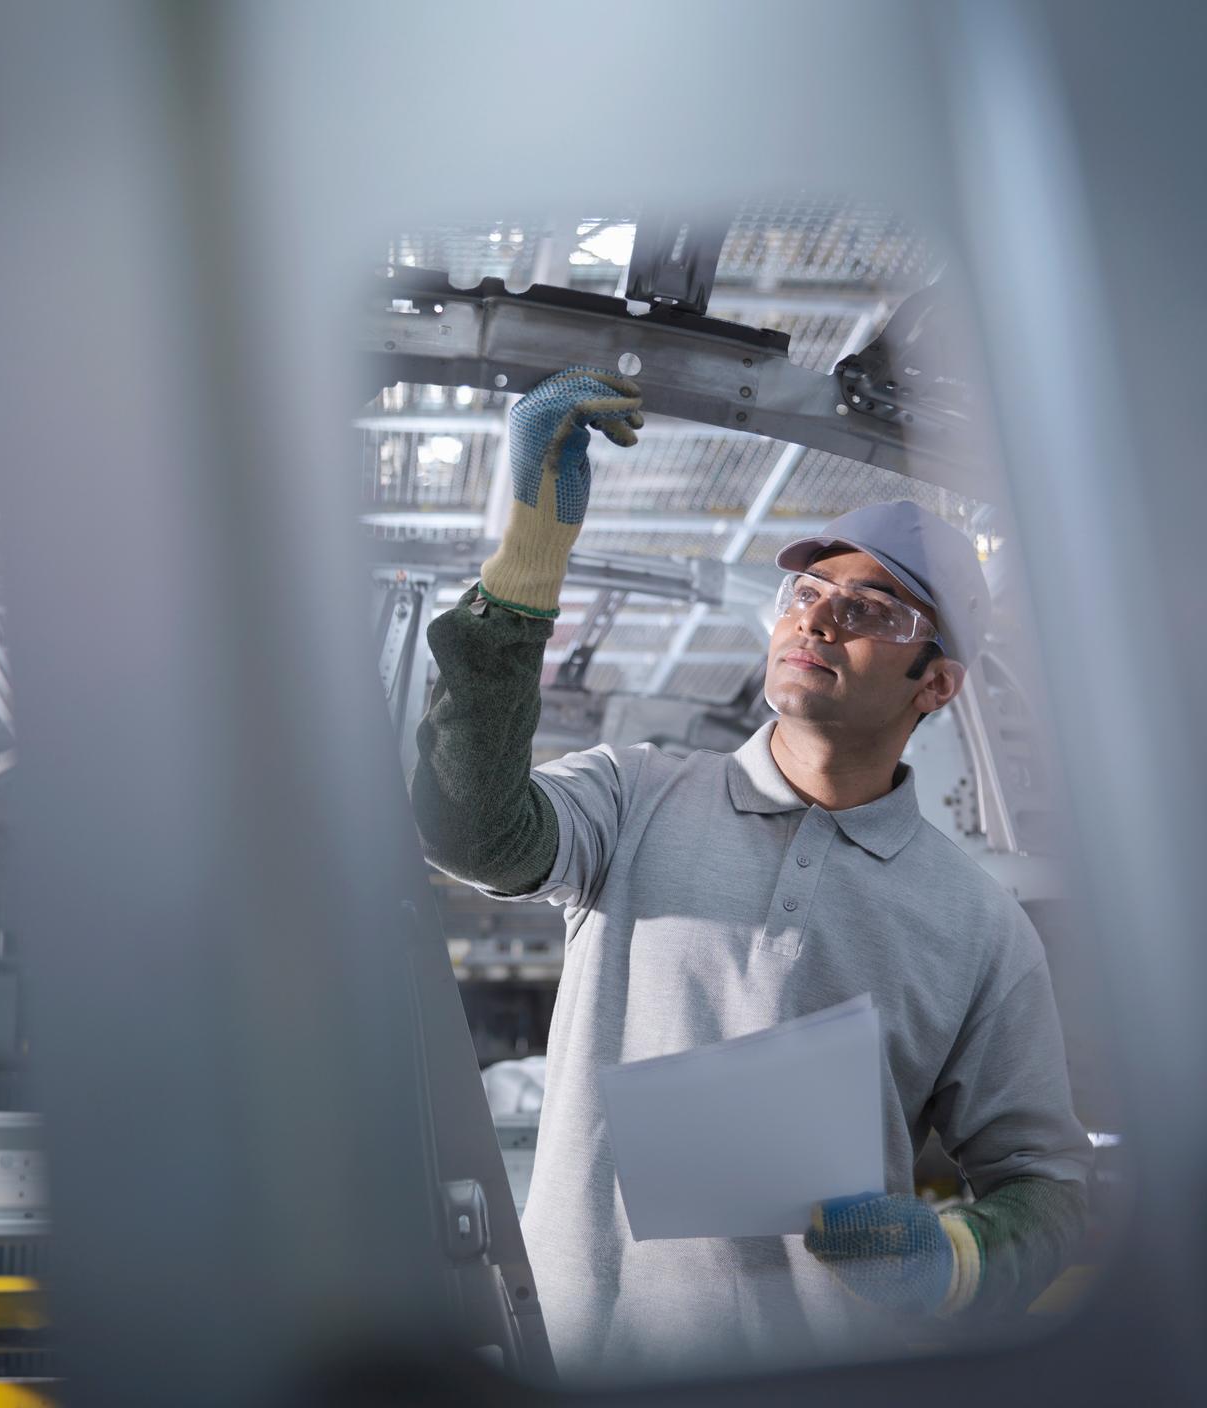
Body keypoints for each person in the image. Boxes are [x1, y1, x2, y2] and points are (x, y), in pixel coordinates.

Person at [410, 366, 1091, 1381]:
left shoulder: (977, 924)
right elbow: (471, 831)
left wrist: (951, 1259)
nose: (816, 621)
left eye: (871, 610)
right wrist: (526, 560)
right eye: (806, 593)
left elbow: (1049, 1188)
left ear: (936, 684)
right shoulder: (632, 795)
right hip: (578, 1361)